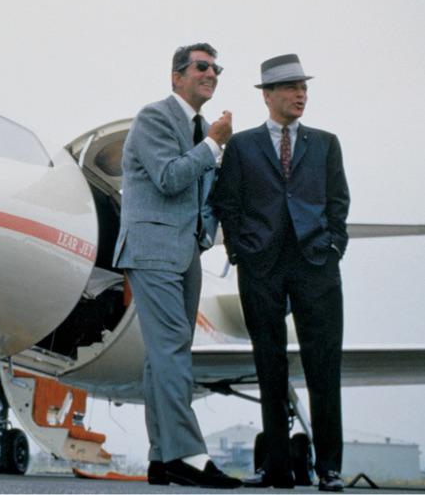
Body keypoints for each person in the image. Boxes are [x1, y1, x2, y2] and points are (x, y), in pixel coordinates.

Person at [210, 54, 349, 492]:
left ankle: (328, 468)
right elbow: (226, 204)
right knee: (268, 364)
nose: (300, 94)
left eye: (303, 87)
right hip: (262, 266)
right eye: (290, 88)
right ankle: (275, 469)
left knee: (323, 364)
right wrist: (240, 253)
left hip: (316, 265)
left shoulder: (326, 143)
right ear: (268, 95)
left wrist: (334, 246)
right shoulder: (243, 146)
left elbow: (338, 202)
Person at [109, 43, 240, 488]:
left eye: (215, 68)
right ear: (176, 76)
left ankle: (161, 456)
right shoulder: (155, 118)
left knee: (163, 357)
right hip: (152, 252)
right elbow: (168, 177)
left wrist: (206, 233)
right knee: (170, 352)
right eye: (202, 66)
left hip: (186, 253)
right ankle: (188, 455)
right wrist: (213, 145)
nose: (211, 74)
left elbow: (202, 193)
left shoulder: (201, 126)